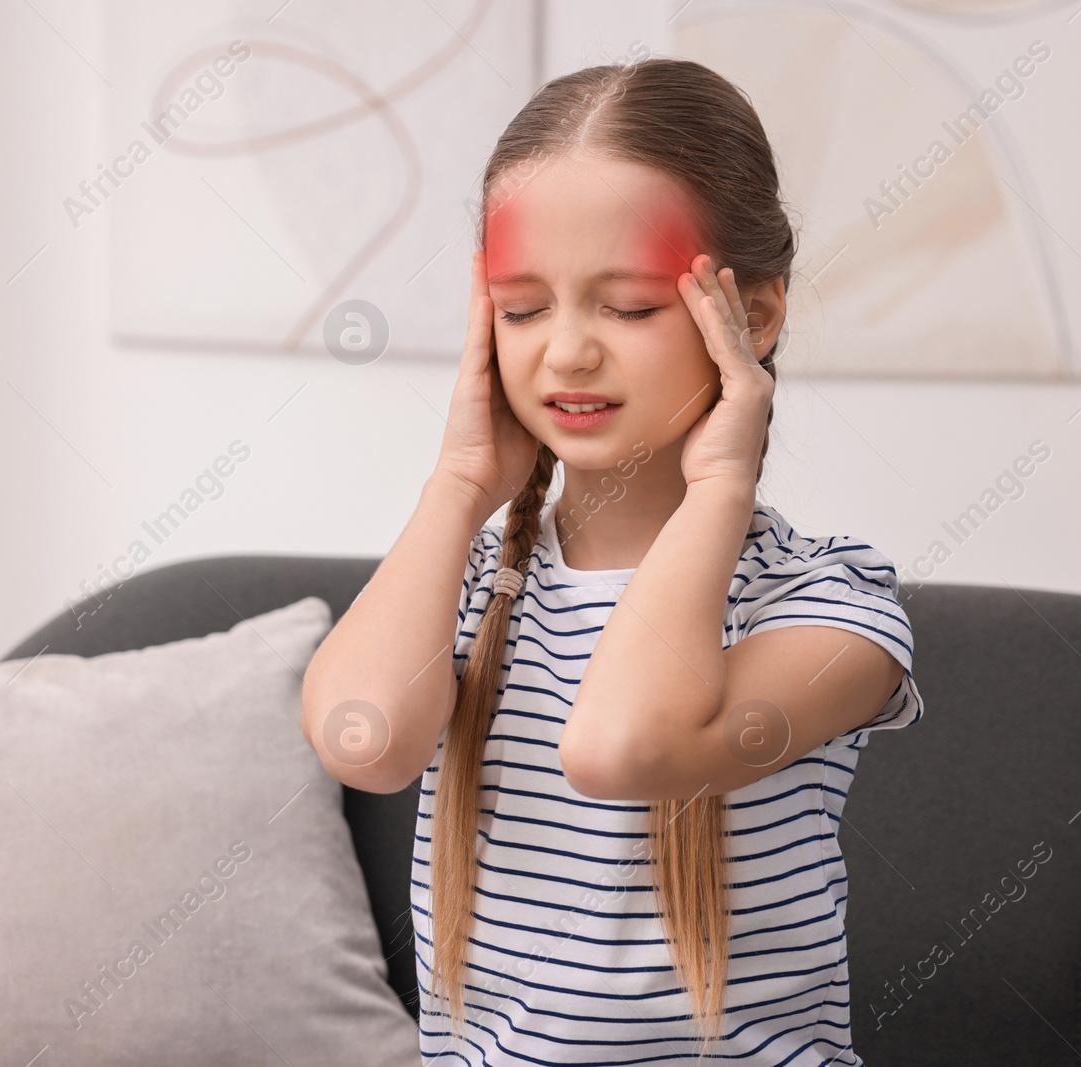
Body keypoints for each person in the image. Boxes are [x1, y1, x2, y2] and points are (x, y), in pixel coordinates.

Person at [301, 56, 924, 1067]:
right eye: (522, 307)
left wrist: (721, 486)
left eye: (626, 306)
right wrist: (461, 478)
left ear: (753, 316)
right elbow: (362, 741)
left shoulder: (828, 608)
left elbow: (623, 747)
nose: (567, 353)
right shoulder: (468, 589)